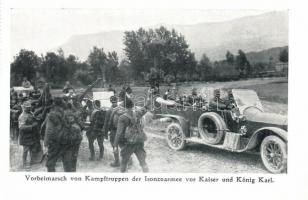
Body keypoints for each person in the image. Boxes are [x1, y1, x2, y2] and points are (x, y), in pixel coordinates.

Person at [114, 98, 149, 173]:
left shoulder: (122, 117)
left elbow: (119, 133)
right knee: (143, 162)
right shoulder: (138, 113)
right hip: (139, 141)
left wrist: (115, 145)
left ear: (124, 106)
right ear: (133, 105)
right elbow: (145, 108)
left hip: (128, 143)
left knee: (124, 162)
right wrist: (148, 100)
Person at [18, 101, 40, 167]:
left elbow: (33, 119)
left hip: (31, 135)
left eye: (30, 107)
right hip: (25, 136)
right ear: (24, 108)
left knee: (32, 148)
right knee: (25, 150)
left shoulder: (30, 113)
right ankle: (24, 163)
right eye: (28, 107)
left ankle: (32, 161)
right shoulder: (22, 116)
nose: (29, 108)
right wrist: (32, 126)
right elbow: (21, 127)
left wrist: (37, 120)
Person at [103, 96, 123, 167]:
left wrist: (105, 133)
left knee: (115, 146)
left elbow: (106, 122)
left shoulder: (109, 111)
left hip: (114, 131)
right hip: (123, 131)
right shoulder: (122, 109)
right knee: (123, 145)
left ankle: (117, 161)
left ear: (110, 101)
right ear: (117, 101)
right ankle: (128, 159)